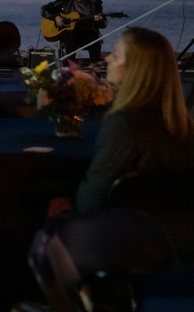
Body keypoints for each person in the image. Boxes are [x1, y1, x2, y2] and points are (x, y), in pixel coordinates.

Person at [75, 27, 194, 212]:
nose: (108, 59)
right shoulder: (184, 125)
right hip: (173, 223)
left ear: (135, 69)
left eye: (116, 55)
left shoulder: (124, 123)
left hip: (121, 225)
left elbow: (91, 199)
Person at [41, 0, 106, 64]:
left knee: (95, 44)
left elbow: (103, 24)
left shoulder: (95, 3)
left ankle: (94, 68)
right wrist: (56, 17)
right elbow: (44, 9)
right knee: (70, 45)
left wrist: (98, 20)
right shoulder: (64, 1)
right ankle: (68, 69)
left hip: (89, 32)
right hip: (71, 33)